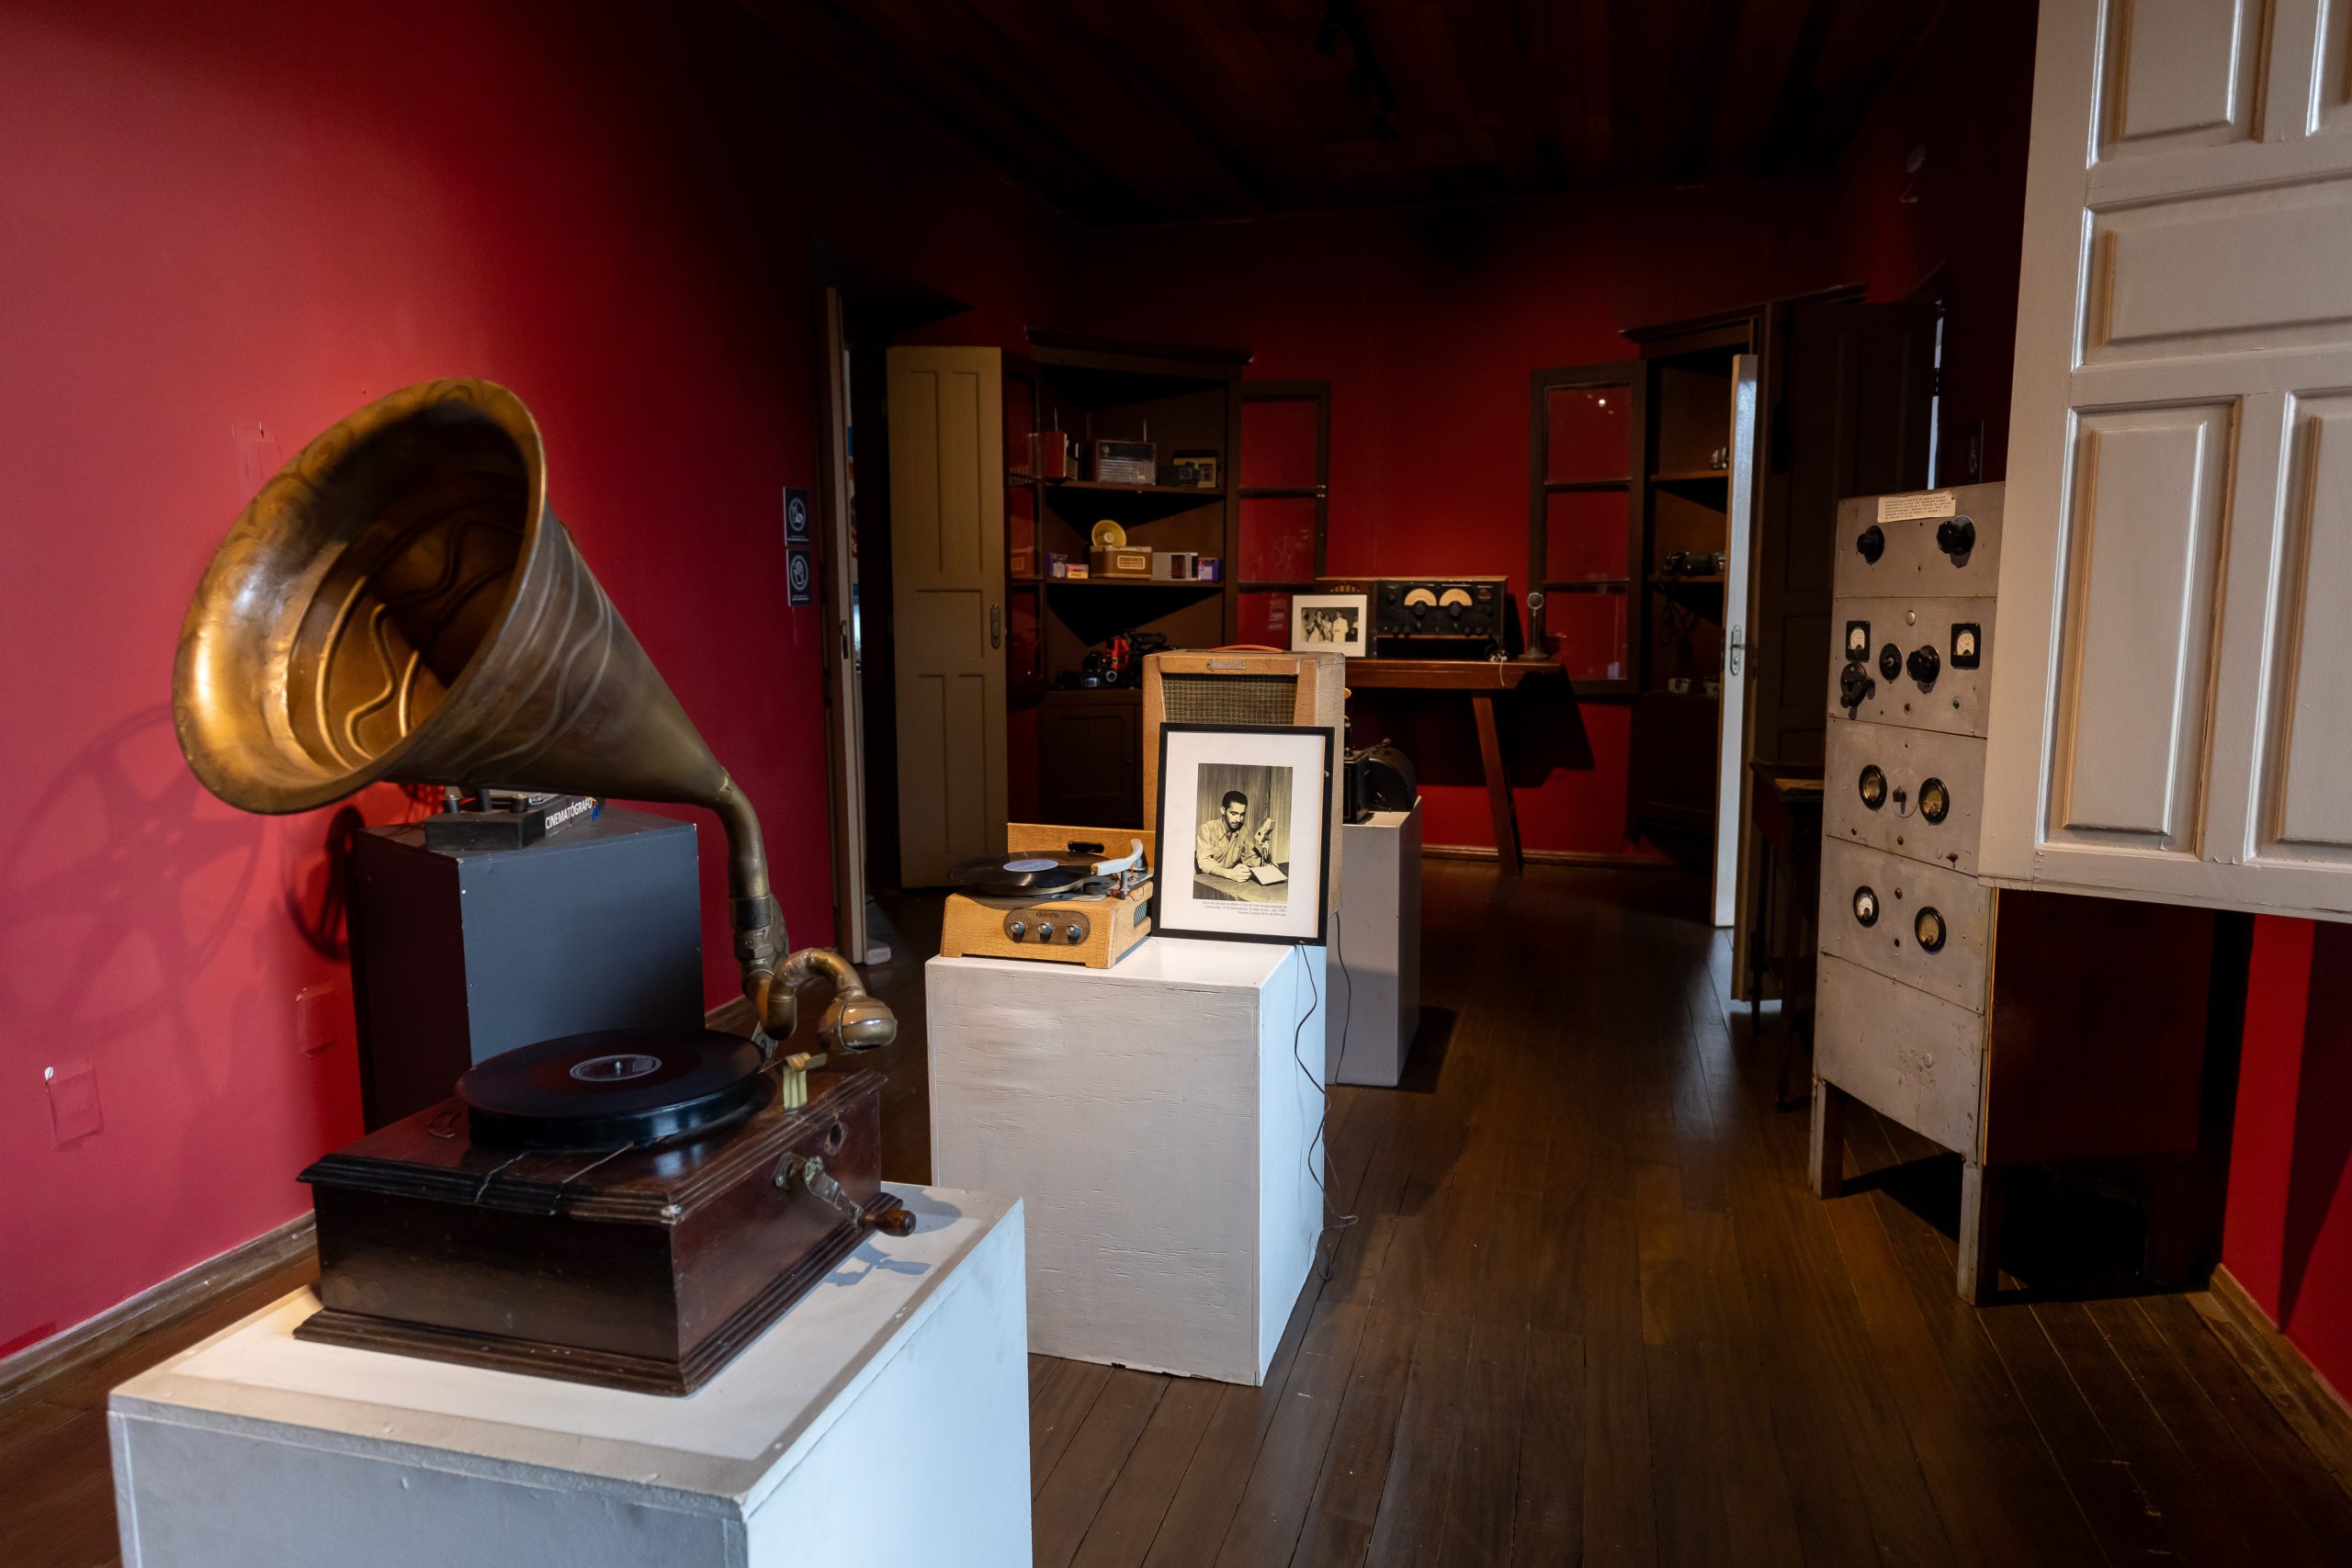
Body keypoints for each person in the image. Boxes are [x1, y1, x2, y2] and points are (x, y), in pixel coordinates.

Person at [1196, 788, 1275, 882]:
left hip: (1230, 881)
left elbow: (1250, 858)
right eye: (1234, 813)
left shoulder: (1243, 831)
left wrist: (1267, 865)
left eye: (1242, 815)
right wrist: (1229, 873)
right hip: (1208, 881)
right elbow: (1204, 862)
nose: (1238, 819)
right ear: (1223, 810)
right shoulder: (1207, 829)